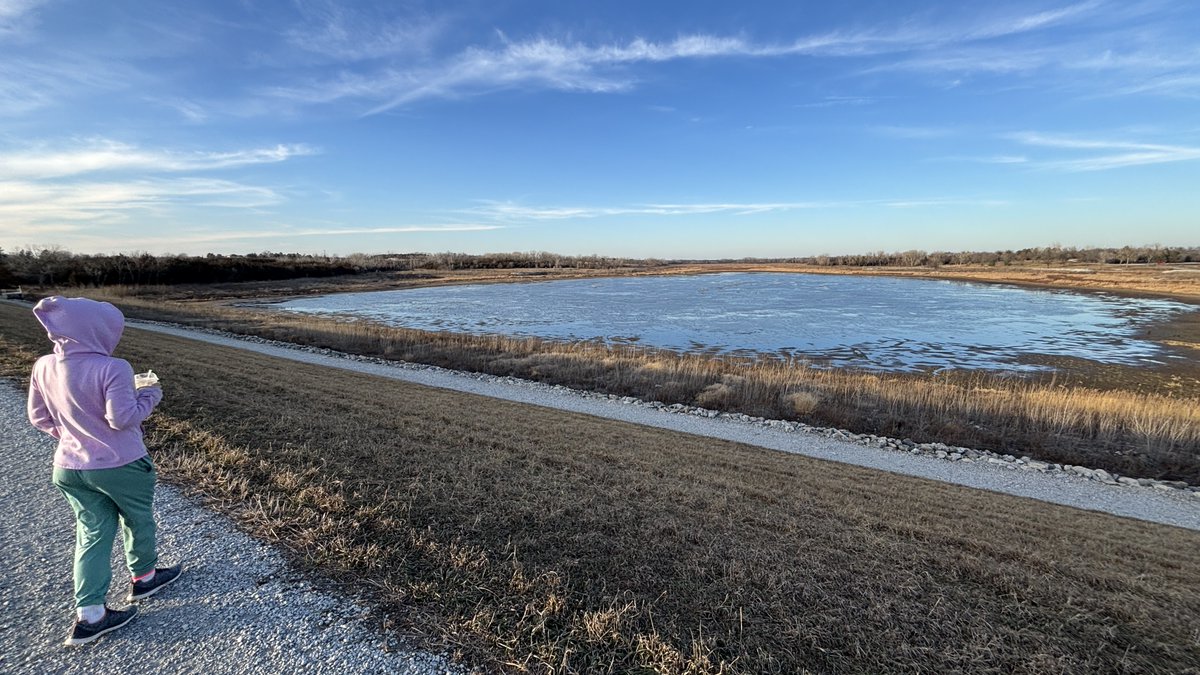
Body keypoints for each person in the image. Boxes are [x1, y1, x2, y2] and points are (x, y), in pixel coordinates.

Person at [26, 296, 182, 647]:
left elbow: (38, 418)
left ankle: (91, 615)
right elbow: (122, 418)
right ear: (97, 331)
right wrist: (150, 395)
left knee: (91, 535)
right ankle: (144, 578)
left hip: (68, 467)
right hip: (121, 464)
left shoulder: (44, 365)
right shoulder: (114, 368)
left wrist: (71, 437)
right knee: (138, 519)